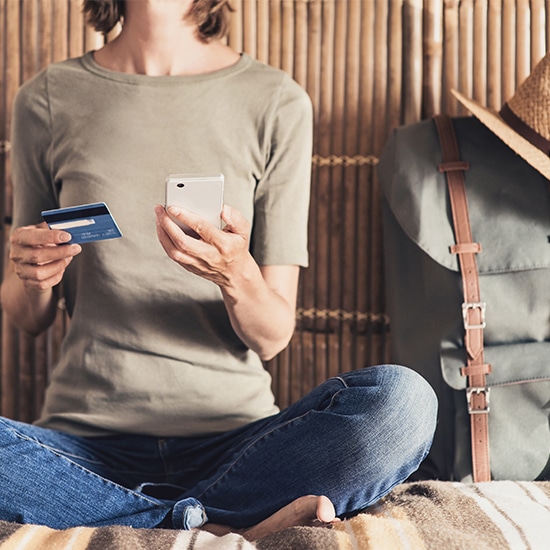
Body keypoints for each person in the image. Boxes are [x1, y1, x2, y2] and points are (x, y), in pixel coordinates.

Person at [0, 0, 437, 540]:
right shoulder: (47, 96)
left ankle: (146, 518)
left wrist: (237, 274)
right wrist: (32, 275)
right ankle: (212, 521)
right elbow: (26, 317)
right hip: (81, 447)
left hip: (240, 447)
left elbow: (273, 335)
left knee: (402, 402)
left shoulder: (276, 101)